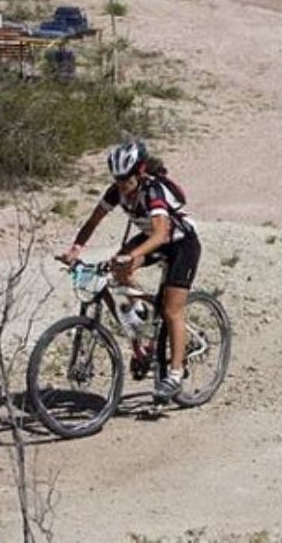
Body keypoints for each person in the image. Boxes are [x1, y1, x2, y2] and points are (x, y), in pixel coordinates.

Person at [61, 141, 201, 400]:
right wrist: (75, 249)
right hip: (153, 240)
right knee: (117, 268)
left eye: (125, 179)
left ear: (139, 172)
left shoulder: (153, 192)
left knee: (172, 310)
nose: (121, 185)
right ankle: (141, 321)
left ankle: (175, 374)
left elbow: (161, 233)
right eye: (117, 179)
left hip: (182, 245)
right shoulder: (116, 191)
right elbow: (93, 221)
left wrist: (133, 255)